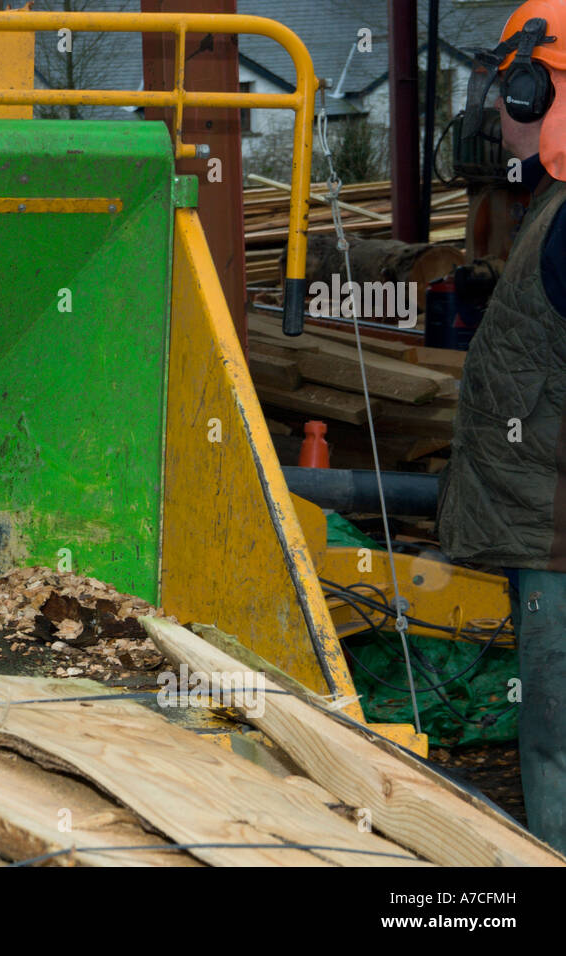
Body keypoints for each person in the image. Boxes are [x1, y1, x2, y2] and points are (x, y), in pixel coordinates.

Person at [438, 0, 566, 853]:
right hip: (545, 530)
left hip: (559, 537)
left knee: (557, 746)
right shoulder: (553, 208)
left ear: (539, 91)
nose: (495, 108)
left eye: (510, 85)